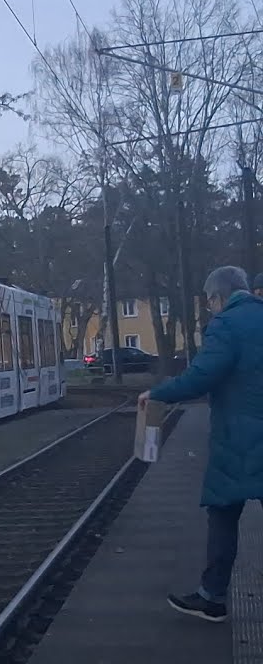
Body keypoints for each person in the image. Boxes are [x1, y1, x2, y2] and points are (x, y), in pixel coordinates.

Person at [138, 265, 263, 623]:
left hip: (238, 439)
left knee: (223, 514)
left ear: (216, 297)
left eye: (210, 302)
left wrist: (158, 394)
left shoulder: (226, 324)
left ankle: (213, 597)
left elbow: (202, 376)